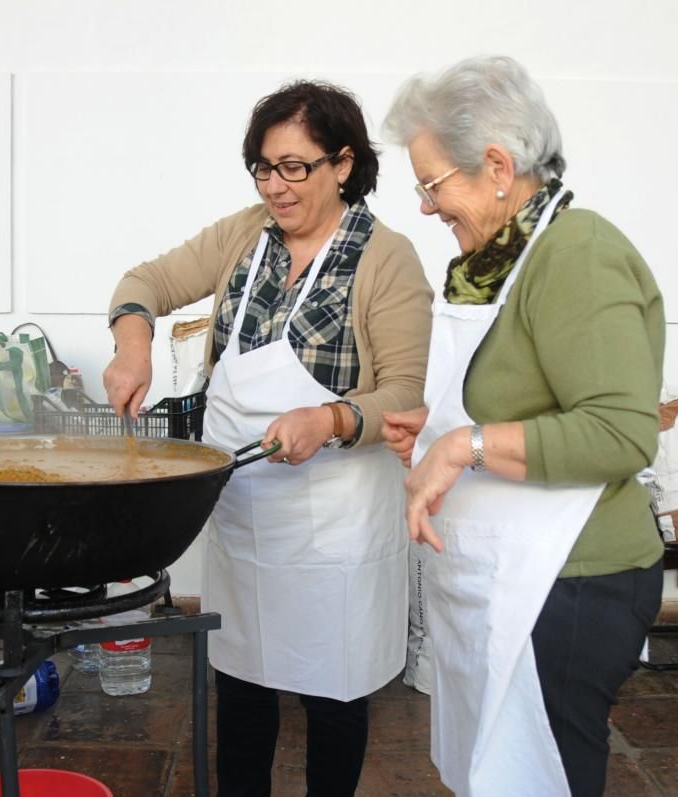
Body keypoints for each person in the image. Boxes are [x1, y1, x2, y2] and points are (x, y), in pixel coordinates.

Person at [104, 80, 432, 796]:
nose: (275, 186)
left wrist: (333, 419)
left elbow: (404, 393)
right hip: (248, 511)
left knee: (332, 694)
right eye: (262, 165)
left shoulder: (386, 258)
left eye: (294, 166)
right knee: (242, 686)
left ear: (343, 163)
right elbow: (144, 281)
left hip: (337, 519)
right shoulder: (244, 235)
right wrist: (135, 345)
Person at [380, 56, 665, 797]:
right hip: (514, 575)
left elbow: (620, 432)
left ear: (498, 166)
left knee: (543, 775)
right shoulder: (497, 263)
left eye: (432, 183)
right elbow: (521, 396)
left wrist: (464, 444)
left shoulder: (578, 254)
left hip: (576, 581)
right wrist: (438, 423)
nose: (424, 206)